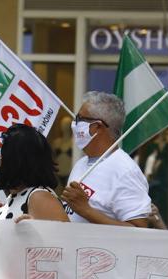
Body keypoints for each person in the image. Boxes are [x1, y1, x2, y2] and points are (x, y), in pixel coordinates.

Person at [61, 92, 151, 227]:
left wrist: (86, 210)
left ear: (97, 126)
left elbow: (140, 229)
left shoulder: (125, 170)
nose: (74, 124)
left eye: (79, 118)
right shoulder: (81, 163)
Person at [0, 124, 68, 222]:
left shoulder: (38, 196)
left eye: (4, 153)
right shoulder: (14, 197)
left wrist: (36, 231)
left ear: (18, 161)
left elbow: (63, 235)